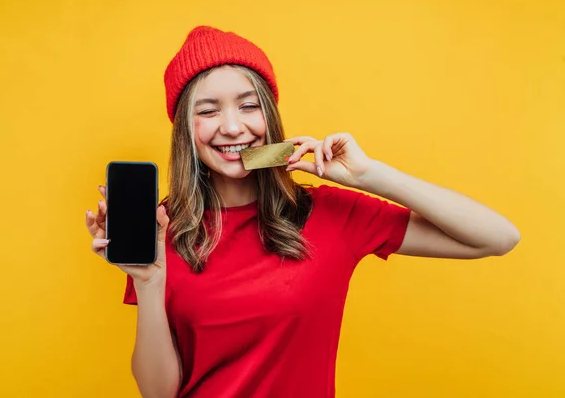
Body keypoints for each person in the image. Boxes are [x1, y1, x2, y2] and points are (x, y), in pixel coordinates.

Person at [85, 25, 521, 398]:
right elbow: (159, 392)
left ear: (270, 116)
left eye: (248, 105)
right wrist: (149, 278)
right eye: (208, 110)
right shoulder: (162, 230)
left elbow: (497, 237)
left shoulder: (329, 213)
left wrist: (369, 175)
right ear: (187, 131)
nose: (233, 126)